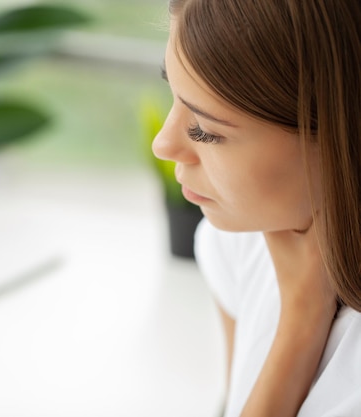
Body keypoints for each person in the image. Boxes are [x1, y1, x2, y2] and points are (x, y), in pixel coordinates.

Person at [152, 1, 361, 416]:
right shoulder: (239, 244)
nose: (163, 144)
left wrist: (301, 314)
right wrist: (300, 315)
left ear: (344, 135)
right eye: (174, 97)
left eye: (206, 131)